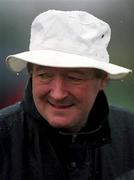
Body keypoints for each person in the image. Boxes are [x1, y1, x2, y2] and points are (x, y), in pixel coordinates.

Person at [0, 10, 133, 180]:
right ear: (31, 75)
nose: (58, 94)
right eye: (45, 75)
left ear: (102, 80)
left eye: (74, 78)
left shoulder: (130, 134)